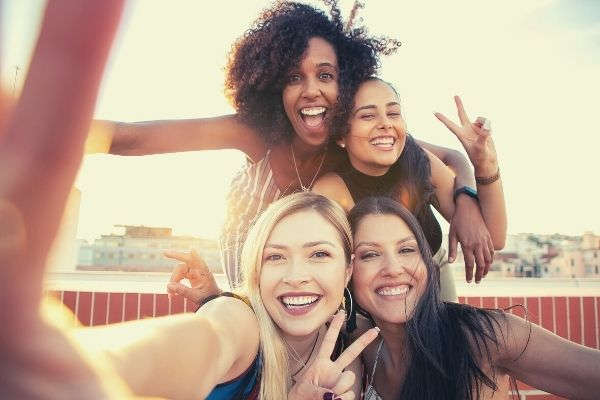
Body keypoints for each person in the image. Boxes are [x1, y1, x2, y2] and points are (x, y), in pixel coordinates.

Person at [91, 1, 494, 295]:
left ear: (347, 82)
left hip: (317, 289)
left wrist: (467, 200)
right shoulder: (257, 133)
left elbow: (451, 157)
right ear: (271, 87)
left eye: (325, 75)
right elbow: (133, 137)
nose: (311, 90)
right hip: (251, 277)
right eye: (293, 78)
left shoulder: (352, 143)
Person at [347, 197, 600, 400]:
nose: (393, 268)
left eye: (406, 250)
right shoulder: (362, 345)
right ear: (347, 272)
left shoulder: (486, 336)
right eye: (369, 255)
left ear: (426, 262)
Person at [312, 77, 506, 293]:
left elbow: (494, 238)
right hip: (373, 295)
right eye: (367, 115)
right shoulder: (330, 191)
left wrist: (483, 170)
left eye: (393, 113)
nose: (386, 123)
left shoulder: (416, 159)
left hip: (433, 277)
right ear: (341, 136)